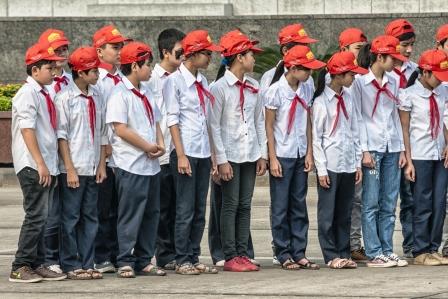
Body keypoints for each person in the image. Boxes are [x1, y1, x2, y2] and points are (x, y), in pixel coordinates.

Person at [165, 29, 222, 275]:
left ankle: (194, 254)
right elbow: (172, 120)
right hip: (185, 152)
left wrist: (211, 155)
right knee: (185, 208)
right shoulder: (174, 81)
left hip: (201, 152)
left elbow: (206, 119)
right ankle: (182, 258)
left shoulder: (203, 81)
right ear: (193, 54)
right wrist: (180, 155)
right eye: (207, 53)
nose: (210, 58)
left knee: (200, 208)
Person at [106, 41, 166, 278]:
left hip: (150, 165)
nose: (151, 69)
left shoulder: (146, 91)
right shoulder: (120, 94)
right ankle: (124, 259)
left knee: (151, 213)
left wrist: (159, 144)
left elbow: (156, 121)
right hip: (130, 164)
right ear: (134, 66)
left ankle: (144, 258)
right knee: (130, 214)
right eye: (147, 64)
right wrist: (147, 146)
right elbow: (120, 129)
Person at [209, 30, 267, 272]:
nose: (254, 58)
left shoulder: (254, 86)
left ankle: (243, 252)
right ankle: (230, 253)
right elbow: (213, 125)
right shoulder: (219, 87)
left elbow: (259, 121)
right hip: (230, 155)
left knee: (245, 204)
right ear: (239, 57)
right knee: (229, 204)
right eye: (251, 54)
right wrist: (220, 160)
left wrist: (262, 153)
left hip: (249, 153)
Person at [9, 41, 67, 283]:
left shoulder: (43, 93)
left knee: (43, 217)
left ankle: (38, 262)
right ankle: (20, 265)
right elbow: (27, 130)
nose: (54, 73)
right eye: (48, 68)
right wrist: (40, 163)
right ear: (35, 70)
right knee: (36, 216)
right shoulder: (27, 94)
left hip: (46, 164)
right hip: (34, 165)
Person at [265, 45, 324, 270]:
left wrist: (309, 152)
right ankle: (283, 252)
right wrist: (272, 158)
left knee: (299, 204)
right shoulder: (275, 91)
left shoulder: (306, 88)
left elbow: (307, 122)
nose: (309, 74)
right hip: (282, 153)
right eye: (306, 69)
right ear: (292, 68)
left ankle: (299, 251)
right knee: (280, 206)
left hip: (300, 153)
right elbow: (269, 126)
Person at [353, 35, 408, 267]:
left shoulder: (394, 81)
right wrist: (364, 150)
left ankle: (387, 248)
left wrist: (403, 149)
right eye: (392, 58)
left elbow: (396, 115)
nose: (396, 63)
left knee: (389, 201)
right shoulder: (359, 82)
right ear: (379, 56)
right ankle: (374, 251)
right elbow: (358, 117)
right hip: (372, 147)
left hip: (392, 146)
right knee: (371, 201)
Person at [56, 46, 107, 279]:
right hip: (74, 167)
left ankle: (88, 262)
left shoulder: (98, 96)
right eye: (92, 71)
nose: (97, 74)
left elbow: (103, 132)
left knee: (90, 216)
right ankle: (70, 263)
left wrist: (102, 165)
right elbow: (62, 136)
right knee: (70, 218)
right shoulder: (64, 98)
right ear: (80, 73)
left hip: (93, 166)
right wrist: (69, 169)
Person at [312, 51, 366, 269]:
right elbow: (316, 138)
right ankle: (331, 254)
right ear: (338, 75)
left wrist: (357, 164)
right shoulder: (321, 102)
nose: (353, 78)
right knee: (328, 213)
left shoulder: (348, 97)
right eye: (350, 74)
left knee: (345, 211)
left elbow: (354, 131)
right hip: (330, 163)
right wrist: (321, 170)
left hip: (347, 163)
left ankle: (344, 252)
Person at [399, 49, 448, 266]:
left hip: (440, 153)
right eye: (437, 75)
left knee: (439, 202)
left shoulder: (443, 92)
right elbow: (405, 129)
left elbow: (445, 122)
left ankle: (433, 247)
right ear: (425, 72)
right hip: (419, 155)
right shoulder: (408, 95)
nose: (441, 80)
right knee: (422, 202)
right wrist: (408, 160)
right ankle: (420, 250)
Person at [146, 28, 186, 271]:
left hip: (180, 149)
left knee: (178, 206)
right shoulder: (151, 79)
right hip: (160, 152)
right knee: (161, 208)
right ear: (165, 52)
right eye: (180, 52)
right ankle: (163, 254)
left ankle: (175, 252)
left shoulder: (183, 78)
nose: (184, 56)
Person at [92, 24, 131, 273]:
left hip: (124, 153)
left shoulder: (123, 78)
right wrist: (103, 151)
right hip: (104, 153)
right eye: (114, 47)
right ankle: (102, 255)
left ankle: (119, 253)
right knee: (102, 208)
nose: (119, 51)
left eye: (121, 46)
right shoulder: (96, 80)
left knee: (120, 208)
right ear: (99, 51)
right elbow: (98, 118)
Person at [38, 28, 72, 274]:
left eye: (63, 49)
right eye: (55, 50)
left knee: (68, 211)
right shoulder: (42, 85)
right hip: (49, 154)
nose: (61, 54)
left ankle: (66, 256)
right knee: (49, 211)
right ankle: (47, 258)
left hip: (71, 153)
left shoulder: (71, 80)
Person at [385, 19, 418, 258]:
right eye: (404, 44)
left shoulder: (416, 71)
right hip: (384, 144)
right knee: (382, 201)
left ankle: (412, 245)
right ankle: (379, 248)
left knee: (410, 198)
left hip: (409, 142)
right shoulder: (378, 71)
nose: (408, 50)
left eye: (411, 45)